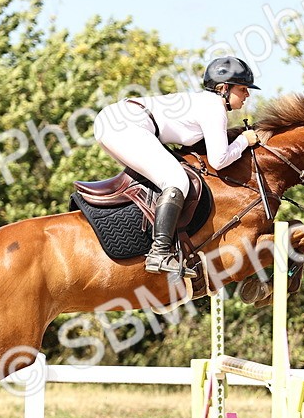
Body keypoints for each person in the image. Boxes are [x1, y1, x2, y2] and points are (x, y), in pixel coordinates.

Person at [93, 56, 261, 277]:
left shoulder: (203, 103)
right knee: (176, 180)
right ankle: (159, 253)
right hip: (126, 125)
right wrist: (244, 141)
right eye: (243, 88)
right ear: (223, 88)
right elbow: (219, 160)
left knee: (161, 180)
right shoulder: (214, 107)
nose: (247, 94)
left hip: (116, 121)